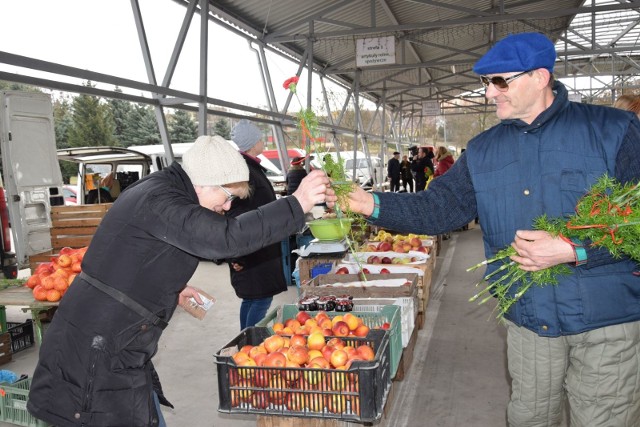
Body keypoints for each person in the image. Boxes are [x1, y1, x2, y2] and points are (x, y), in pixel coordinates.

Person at [325, 32, 640, 427]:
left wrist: (574, 249)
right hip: (529, 317)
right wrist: (368, 203)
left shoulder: (613, 130)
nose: (490, 93)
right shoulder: (484, 150)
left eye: (500, 81)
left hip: (607, 319)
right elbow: (439, 209)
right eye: (487, 83)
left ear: (541, 77)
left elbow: (636, 222)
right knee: (528, 418)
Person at [27, 135, 330, 427]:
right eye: (227, 198)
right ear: (204, 182)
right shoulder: (162, 200)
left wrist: (170, 286)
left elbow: (135, 254)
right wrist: (296, 203)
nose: (227, 208)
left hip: (113, 344)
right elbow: (228, 237)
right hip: (96, 353)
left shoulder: (165, 190)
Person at [226, 120, 287, 329]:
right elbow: (236, 215)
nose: (264, 142)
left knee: (252, 298)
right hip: (253, 251)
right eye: (261, 139)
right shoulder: (245, 172)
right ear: (253, 143)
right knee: (260, 299)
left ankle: (245, 339)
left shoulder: (249, 168)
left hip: (256, 247)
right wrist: (237, 254)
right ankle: (250, 342)